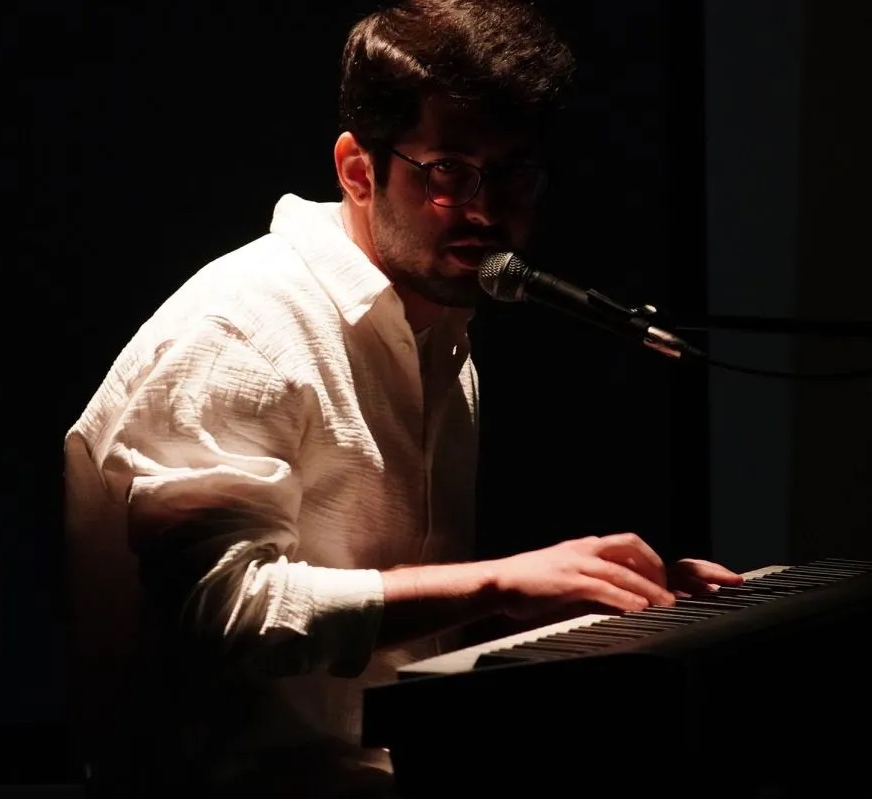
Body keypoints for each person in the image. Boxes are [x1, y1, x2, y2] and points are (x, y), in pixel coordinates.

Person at [63, 0, 744, 796]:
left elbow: (387, 628)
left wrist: (594, 605)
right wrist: (502, 581)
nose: (487, 210)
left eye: (514, 172)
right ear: (358, 170)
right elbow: (229, 613)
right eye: (449, 171)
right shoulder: (243, 331)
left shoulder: (438, 336)